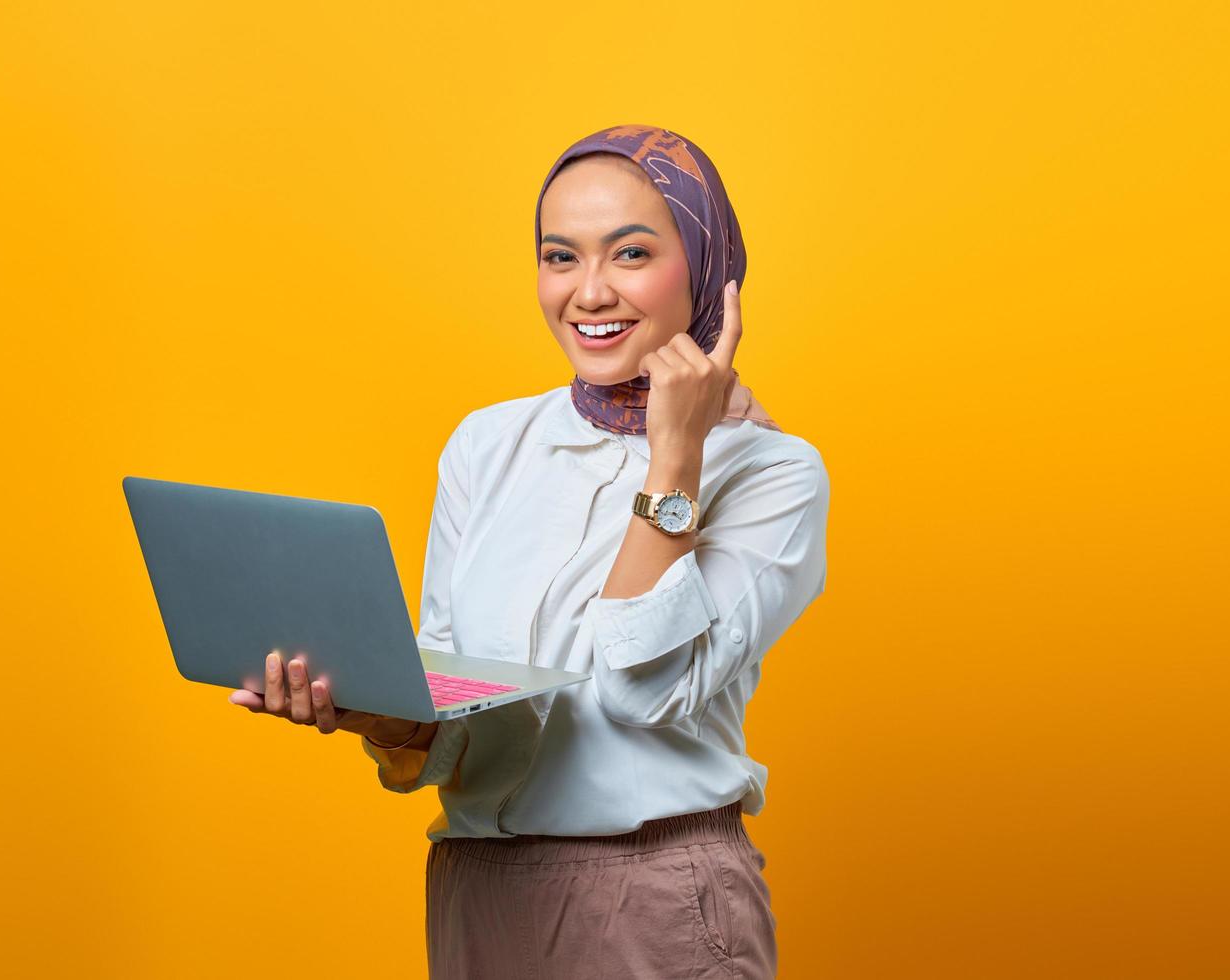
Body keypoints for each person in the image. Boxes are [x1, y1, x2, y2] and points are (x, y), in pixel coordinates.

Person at [227, 124, 830, 979]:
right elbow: (462, 714)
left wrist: (675, 453)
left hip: (653, 898)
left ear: (705, 267)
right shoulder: (486, 444)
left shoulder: (774, 472)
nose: (587, 293)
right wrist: (368, 710)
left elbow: (638, 689)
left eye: (629, 254)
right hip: (478, 892)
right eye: (559, 257)